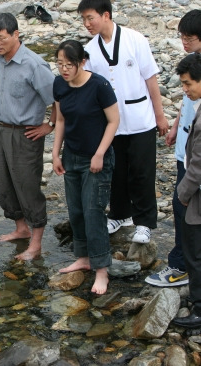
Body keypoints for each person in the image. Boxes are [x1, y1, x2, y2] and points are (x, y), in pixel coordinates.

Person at [77, 0, 169, 243]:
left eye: (90, 18)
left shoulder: (134, 39)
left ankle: (145, 222)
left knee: (142, 172)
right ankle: (119, 214)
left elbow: (150, 79)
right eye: (83, 19)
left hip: (140, 119)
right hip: (111, 124)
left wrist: (160, 116)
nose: (87, 24)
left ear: (105, 15)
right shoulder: (90, 49)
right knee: (115, 172)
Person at [51, 40, 119, 295]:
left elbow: (114, 121)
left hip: (96, 158)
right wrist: (55, 154)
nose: (64, 70)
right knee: (76, 210)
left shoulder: (99, 85)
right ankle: (83, 257)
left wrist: (100, 154)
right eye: (60, 64)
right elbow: (60, 119)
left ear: (82, 62)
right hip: (72, 156)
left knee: (93, 212)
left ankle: (102, 269)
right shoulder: (59, 84)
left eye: (69, 65)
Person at [0, 13, 56, 260]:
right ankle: (21, 229)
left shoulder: (34, 64)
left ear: (16, 34)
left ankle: (36, 243)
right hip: (0, 129)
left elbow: (57, 97)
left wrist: (50, 124)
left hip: (25, 134)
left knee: (27, 185)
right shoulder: (0, 59)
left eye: (2, 38)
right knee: (5, 184)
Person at [145, 10, 201, 288]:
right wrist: (178, 124)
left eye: (189, 38)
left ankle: (181, 266)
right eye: (181, 37)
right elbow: (188, 103)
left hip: (194, 156)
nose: (184, 43)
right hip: (185, 148)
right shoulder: (192, 68)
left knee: (184, 208)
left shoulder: (197, 70)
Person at [171, 53, 201, 329]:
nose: (185, 89)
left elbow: (198, 165)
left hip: (197, 197)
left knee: (194, 250)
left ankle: (199, 306)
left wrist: (182, 193)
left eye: (188, 83)